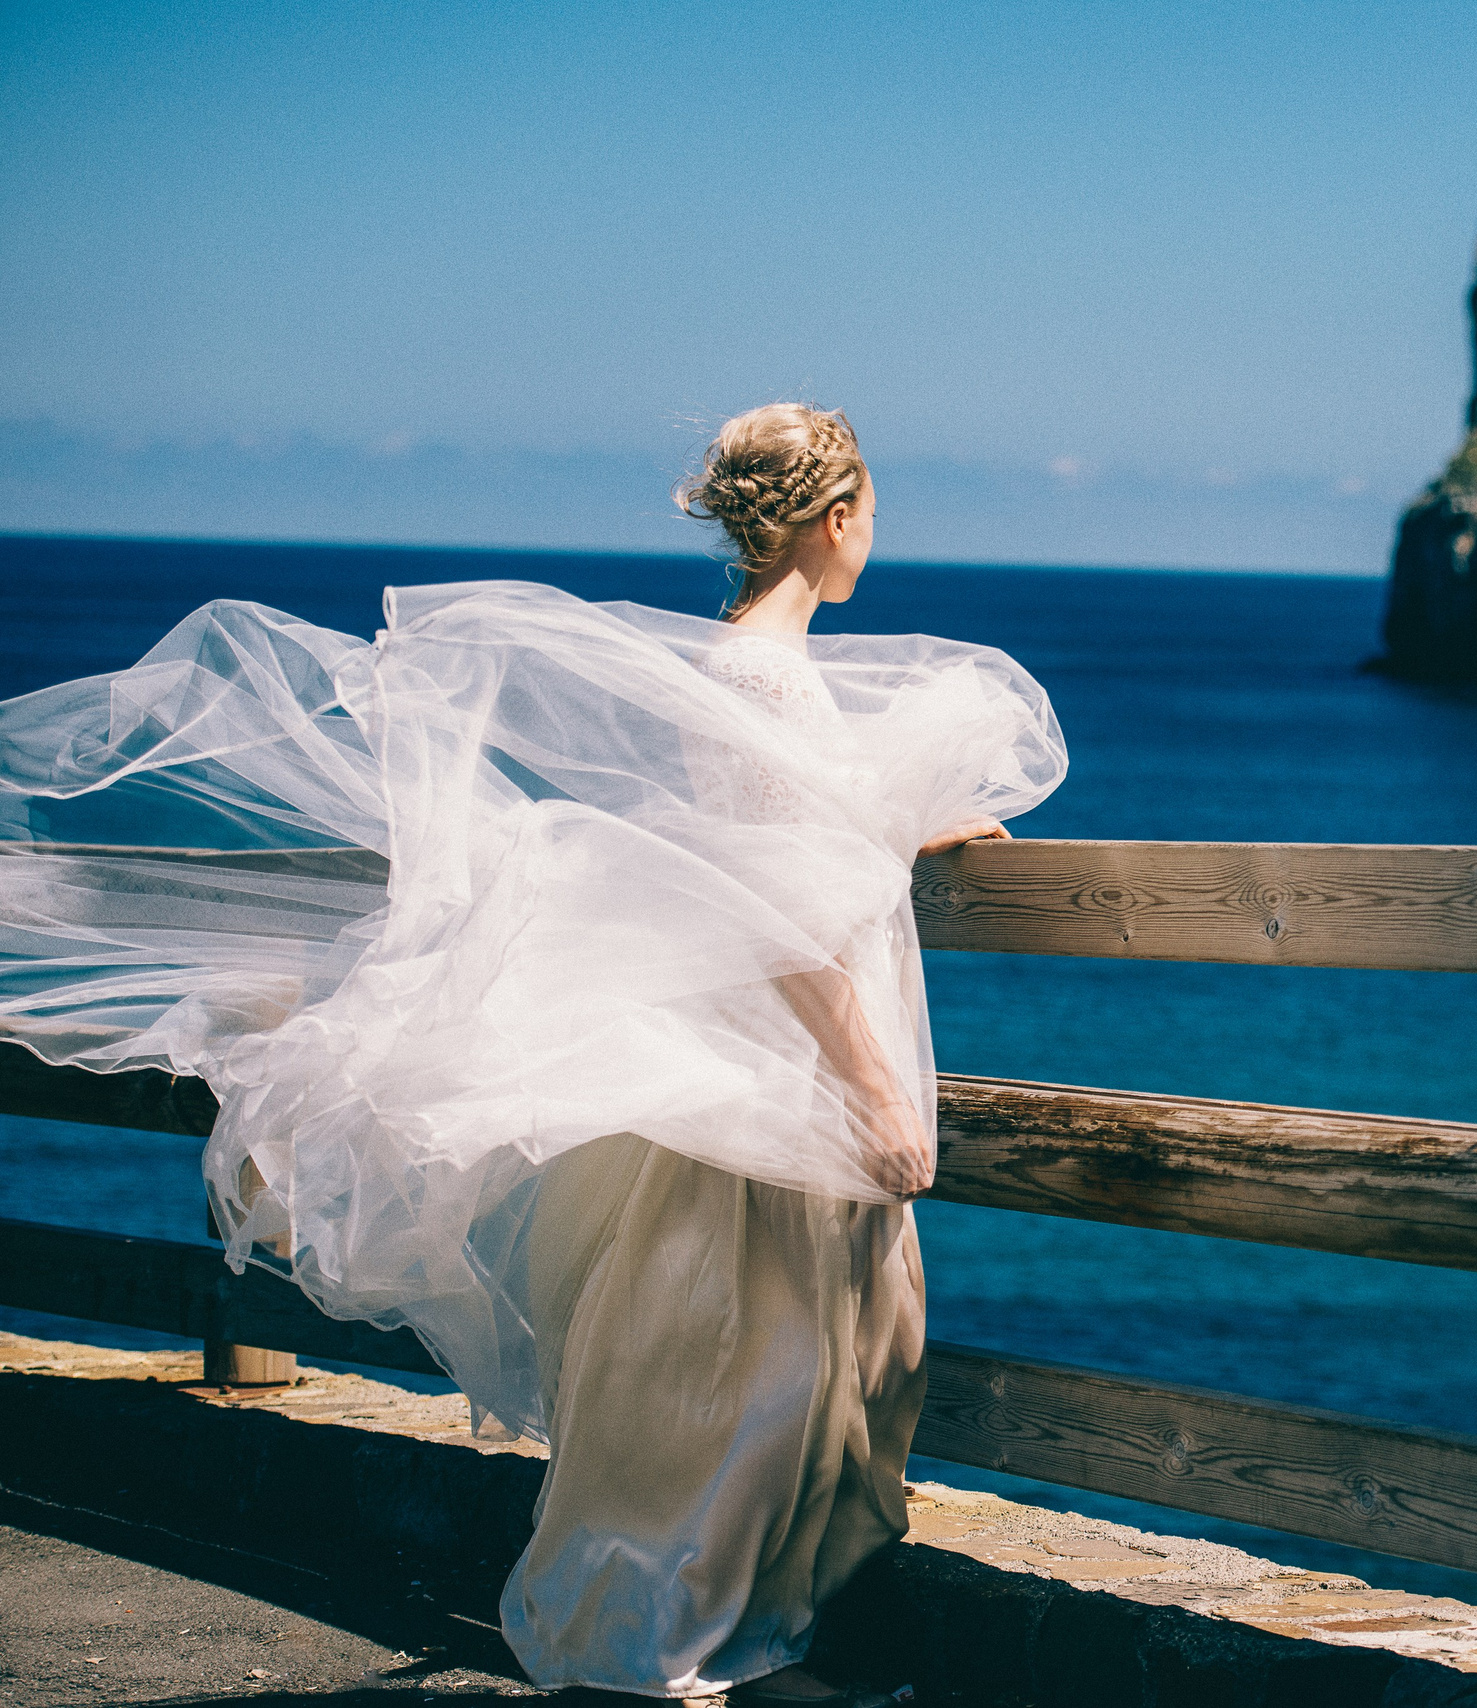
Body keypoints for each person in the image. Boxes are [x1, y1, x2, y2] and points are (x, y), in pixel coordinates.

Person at [0, 404, 1067, 1704]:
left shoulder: (740, 668)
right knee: (753, 1370)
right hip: (785, 1076)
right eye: (872, 518)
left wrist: (902, 829)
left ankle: (731, 1636)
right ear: (834, 520)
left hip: (750, 1062)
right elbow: (789, 914)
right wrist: (876, 1092)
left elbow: (805, 838)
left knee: (755, 1365)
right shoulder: (768, 680)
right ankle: (679, 1646)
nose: (872, 543)